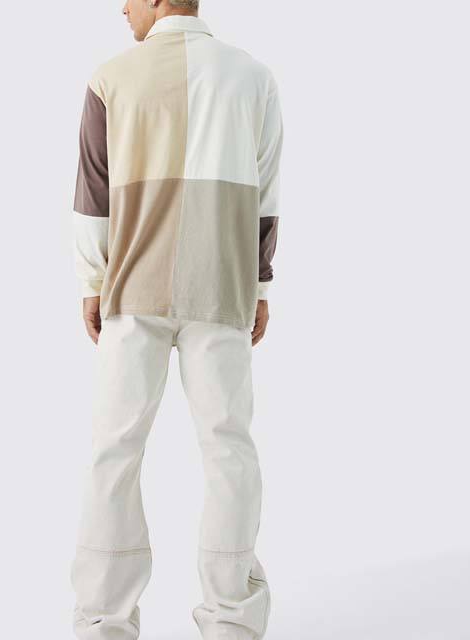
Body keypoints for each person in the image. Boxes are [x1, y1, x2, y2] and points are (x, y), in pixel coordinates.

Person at [70, 1, 283, 638]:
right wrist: (259, 283)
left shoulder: (110, 78)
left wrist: (92, 280)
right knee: (228, 449)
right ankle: (232, 621)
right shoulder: (253, 77)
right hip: (221, 283)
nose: (122, 7)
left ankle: (103, 622)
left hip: (133, 287)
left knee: (115, 452)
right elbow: (265, 195)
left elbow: (93, 195)